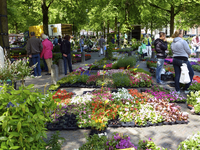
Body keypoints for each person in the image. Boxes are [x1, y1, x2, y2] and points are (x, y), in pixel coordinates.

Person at [171, 29, 194, 94]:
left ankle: (177, 90)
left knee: (177, 74)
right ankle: (186, 88)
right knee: (191, 73)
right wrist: (187, 54)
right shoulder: (183, 42)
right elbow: (189, 51)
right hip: (183, 60)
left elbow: (172, 51)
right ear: (180, 34)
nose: (182, 35)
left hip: (175, 59)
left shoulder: (173, 42)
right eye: (182, 34)